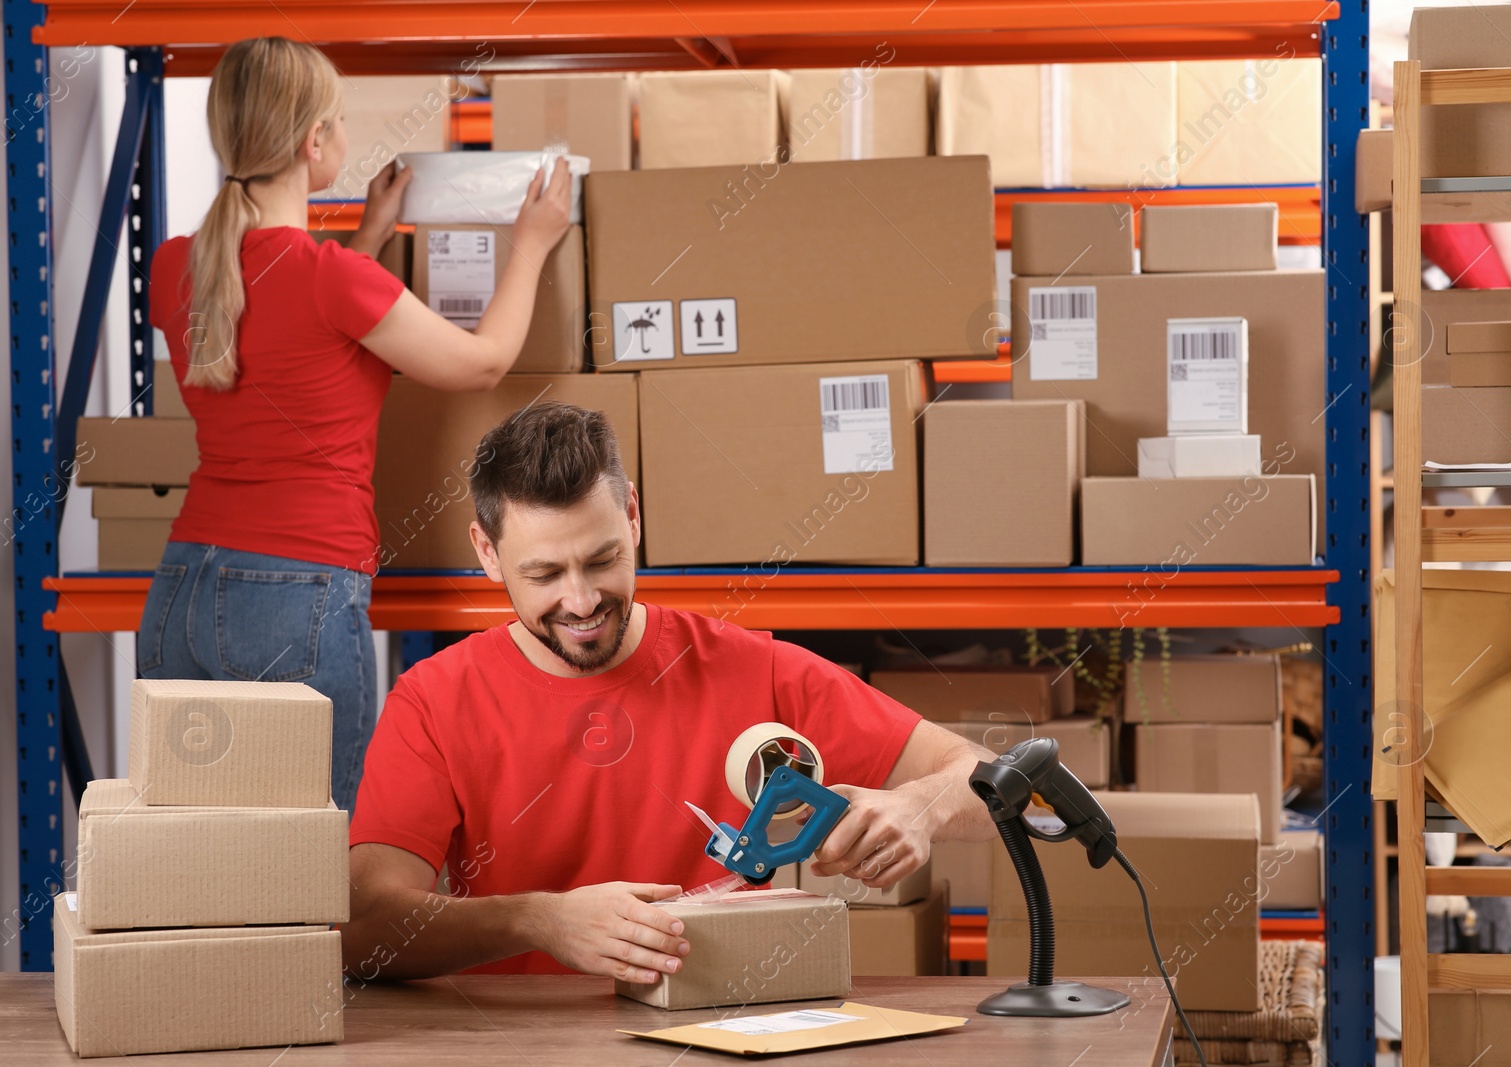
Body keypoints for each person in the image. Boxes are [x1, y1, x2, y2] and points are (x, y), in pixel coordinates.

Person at [344, 402, 998, 982]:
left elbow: (1002, 787)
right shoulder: (433, 699)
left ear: (632, 514)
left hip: (721, 1035)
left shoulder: (753, 668)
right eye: (544, 572)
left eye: (601, 559)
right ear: (486, 553)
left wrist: (921, 806)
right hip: (525, 1044)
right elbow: (365, 927)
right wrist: (537, 921)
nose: (581, 600)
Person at [138, 37, 572, 811]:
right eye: (336, 122)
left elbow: (289, 322)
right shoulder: (328, 278)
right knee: (316, 855)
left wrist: (369, 236)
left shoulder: (177, 267)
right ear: (314, 144)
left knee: (193, 851)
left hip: (183, 585)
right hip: (295, 588)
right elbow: (481, 364)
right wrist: (531, 244)